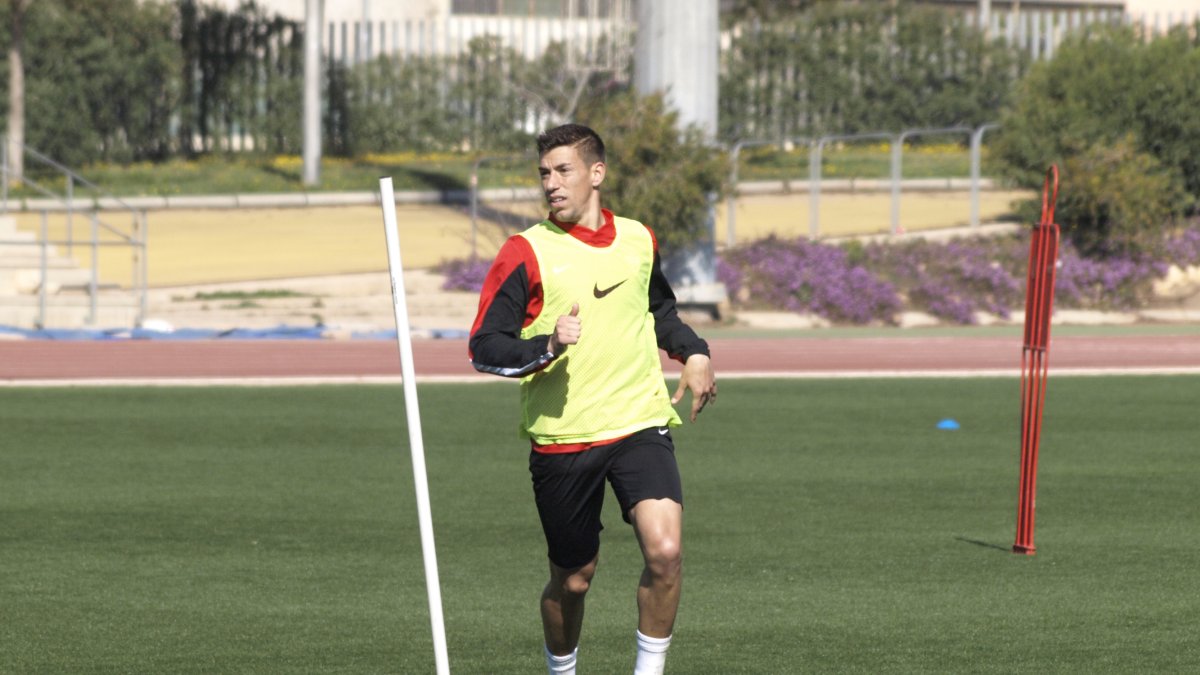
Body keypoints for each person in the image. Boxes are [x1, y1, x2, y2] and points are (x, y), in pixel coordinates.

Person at [468, 123, 717, 675]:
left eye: (563, 171)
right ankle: (563, 668)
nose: (551, 184)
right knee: (574, 579)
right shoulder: (525, 251)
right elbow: (484, 346)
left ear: (596, 173)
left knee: (666, 552)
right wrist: (547, 345)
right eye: (544, 174)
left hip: (639, 423)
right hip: (564, 438)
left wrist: (694, 352)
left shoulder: (637, 239)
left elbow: (660, 312)